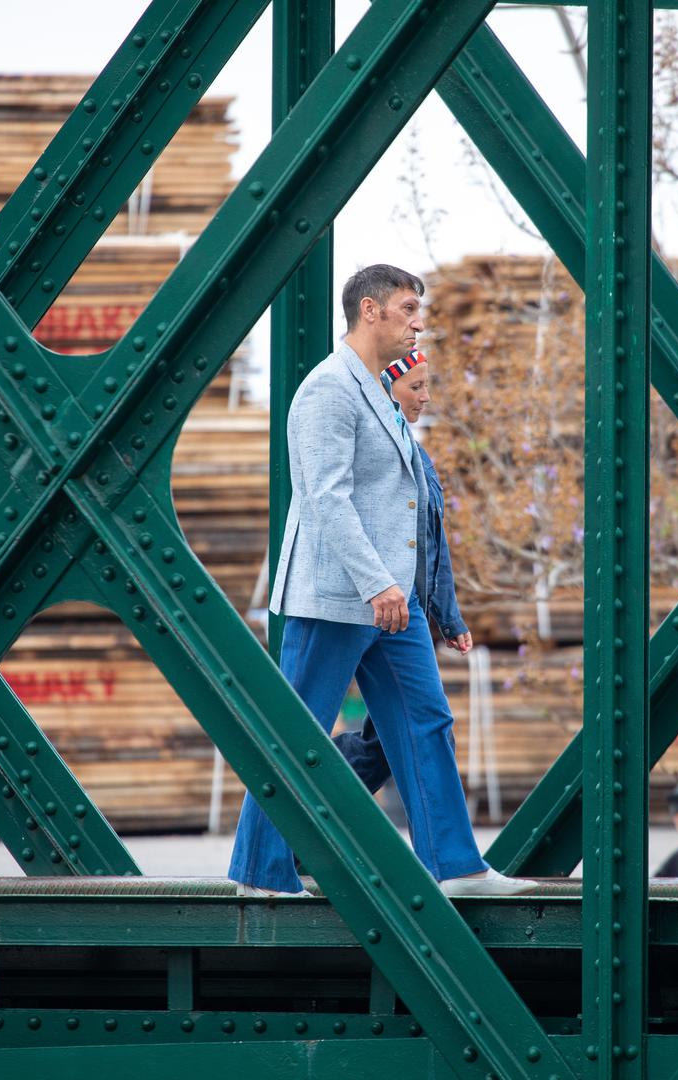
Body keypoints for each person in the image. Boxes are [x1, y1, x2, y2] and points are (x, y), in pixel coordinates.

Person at [229, 264, 533, 898]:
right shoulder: (329, 390)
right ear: (369, 311)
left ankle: (456, 867)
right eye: (406, 308)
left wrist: (431, 603)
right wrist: (377, 584)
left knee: (426, 720)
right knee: (299, 734)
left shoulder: (380, 390)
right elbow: (324, 499)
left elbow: (410, 503)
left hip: (394, 604)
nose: (418, 321)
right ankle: (259, 876)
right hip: (339, 598)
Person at [332, 349, 471, 796]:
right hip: (355, 604)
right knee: (305, 734)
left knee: (416, 731)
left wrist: (447, 616)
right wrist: (376, 585)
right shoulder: (363, 446)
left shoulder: (418, 458)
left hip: (401, 614)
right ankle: (290, 824)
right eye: (416, 386)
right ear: (384, 392)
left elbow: (431, 543)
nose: (426, 397)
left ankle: (448, 858)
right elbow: (328, 508)